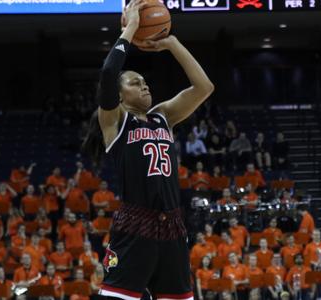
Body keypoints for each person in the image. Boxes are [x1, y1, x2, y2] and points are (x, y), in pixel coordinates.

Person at [81, 0, 214, 298]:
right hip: (135, 226)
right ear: (119, 94)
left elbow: (204, 88)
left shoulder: (163, 116)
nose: (144, 86)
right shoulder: (115, 120)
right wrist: (131, 28)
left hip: (173, 227)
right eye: (134, 83)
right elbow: (107, 75)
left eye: (145, 82)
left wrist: (173, 44)